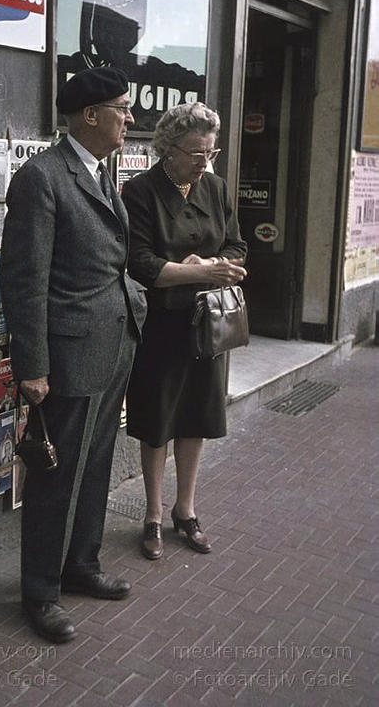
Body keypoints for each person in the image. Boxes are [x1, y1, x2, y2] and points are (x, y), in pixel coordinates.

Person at [0, 67, 147, 644]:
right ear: (89, 115)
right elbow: (24, 280)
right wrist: (32, 365)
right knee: (55, 476)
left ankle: (81, 564)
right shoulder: (42, 178)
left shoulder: (101, 171)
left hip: (113, 344)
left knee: (97, 462)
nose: (130, 118)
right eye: (122, 109)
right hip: (67, 354)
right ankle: (40, 592)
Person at [121, 102, 247, 561]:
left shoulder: (215, 187)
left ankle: (185, 509)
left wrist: (213, 263)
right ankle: (153, 514)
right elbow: (140, 263)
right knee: (157, 422)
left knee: (196, 417)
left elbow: (236, 244)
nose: (204, 162)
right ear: (168, 148)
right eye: (196, 153)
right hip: (162, 326)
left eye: (210, 152)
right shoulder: (141, 191)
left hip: (208, 325)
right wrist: (195, 271)